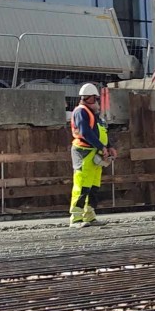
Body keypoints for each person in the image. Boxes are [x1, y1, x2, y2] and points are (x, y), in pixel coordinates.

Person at [68, 83, 112, 227]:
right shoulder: (82, 112)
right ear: (89, 98)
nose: (97, 102)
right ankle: (76, 218)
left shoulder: (93, 114)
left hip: (94, 153)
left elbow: (100, 133)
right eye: (95, 99)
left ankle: (89, 216)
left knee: (93, 186)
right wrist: (102, 147)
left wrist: (108, 147)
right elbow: (86, 133)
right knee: (82, 186)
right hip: (84, 152)